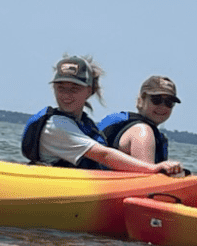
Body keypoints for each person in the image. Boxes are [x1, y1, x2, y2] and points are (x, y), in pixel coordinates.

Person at [20, 56, 183, 174]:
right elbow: (104, 155)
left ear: (89, 91)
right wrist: (152, 169)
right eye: (61, 88)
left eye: (74, 89)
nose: (66, 95)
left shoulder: (83, 124)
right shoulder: (56, 126)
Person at [98, 75, 179, 164]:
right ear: (140, 101)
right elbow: (147, 176)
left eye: (169, 102)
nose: (163, 106)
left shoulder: (130, 126)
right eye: (156, 100)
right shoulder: (142, 131)